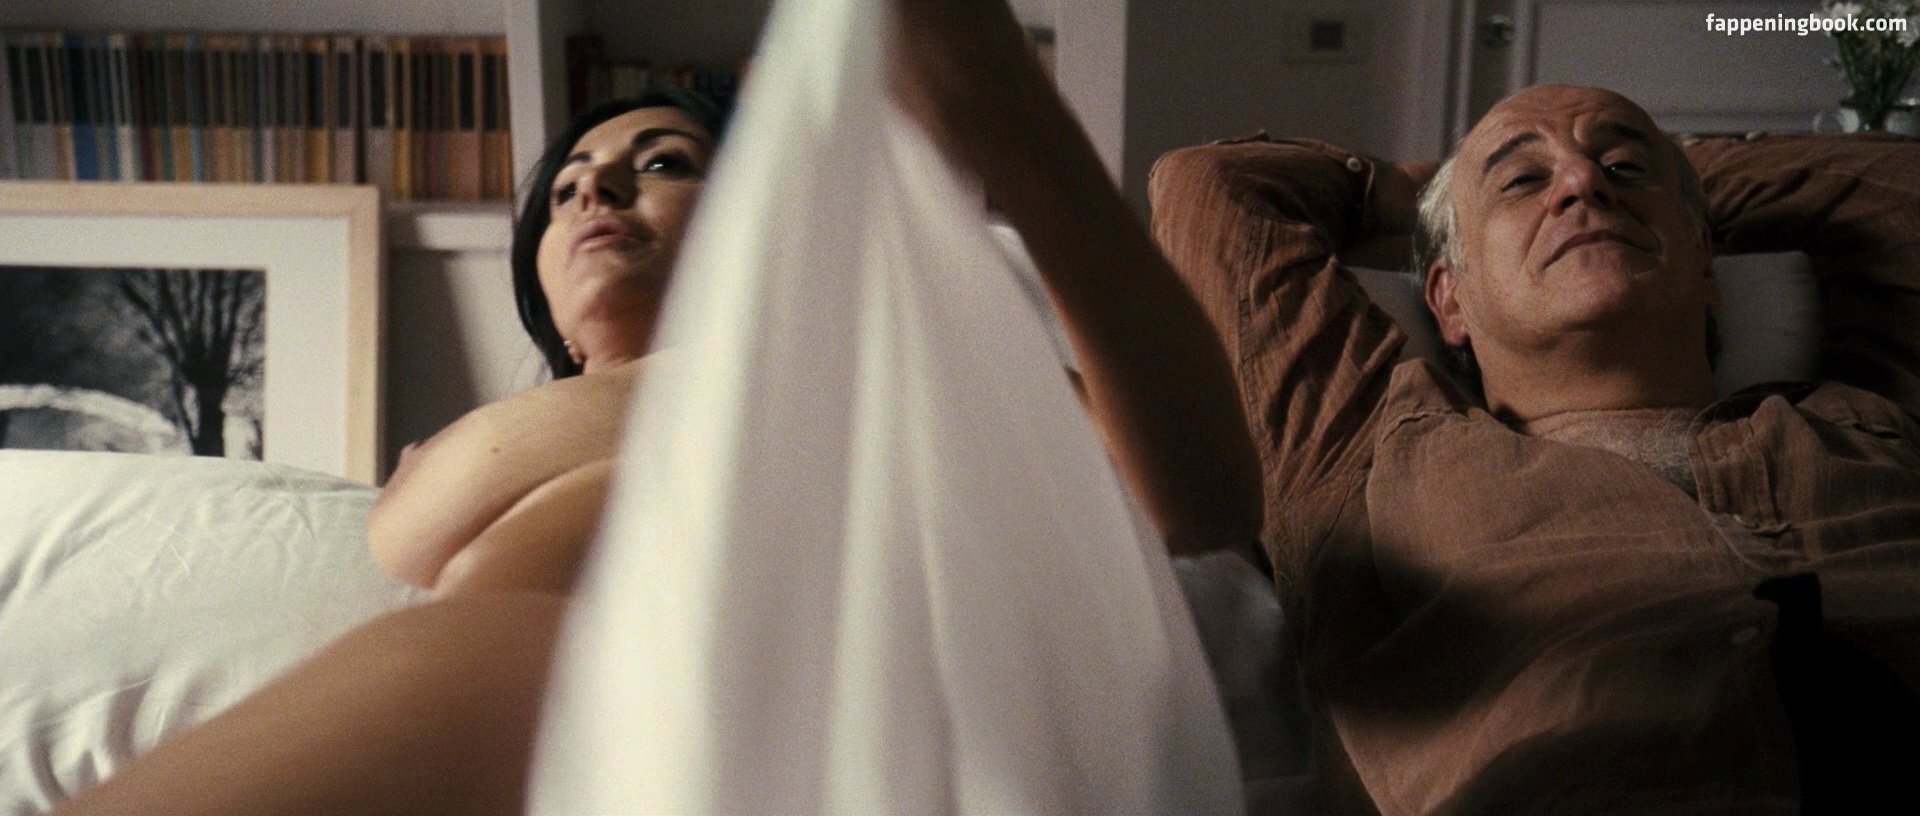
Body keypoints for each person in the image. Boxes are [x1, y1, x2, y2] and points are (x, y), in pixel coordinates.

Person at [50, 1, 1262, 813]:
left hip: (659, 709)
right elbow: (411, 533)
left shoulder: (862, 363)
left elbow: (1200, 499)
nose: (597, 191)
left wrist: (1007, 122)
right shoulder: (494, 444)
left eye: (663, 162)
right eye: (567, 188)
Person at [1150, 83, 1920, 813]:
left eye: (1623, 166)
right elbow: (1211, 188)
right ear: (1449, 297)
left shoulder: (1861, 408)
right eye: (1522, 180)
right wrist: (1420, 188)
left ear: (1705, 260)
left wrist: (1672, 166)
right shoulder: (1364, 449)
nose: (1583, 181)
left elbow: (1899, 181)